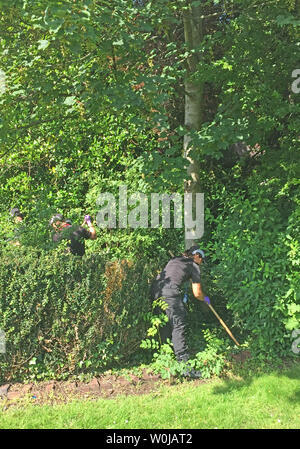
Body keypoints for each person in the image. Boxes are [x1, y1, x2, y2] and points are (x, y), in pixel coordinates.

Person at [150, 245, 211, 379]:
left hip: (156, 291)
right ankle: (185, 367)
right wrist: (206, 299)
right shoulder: (193, 265)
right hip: (170, 294)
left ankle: (165, 359)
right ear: (197, 256)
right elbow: (197, 293)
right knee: (178, 325)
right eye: (202, 260)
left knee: (166, 324)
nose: (201, 263)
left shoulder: (176, 259)